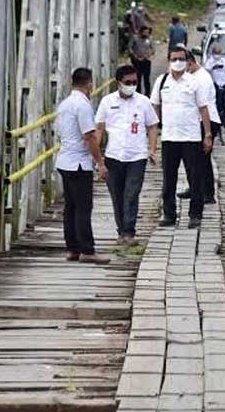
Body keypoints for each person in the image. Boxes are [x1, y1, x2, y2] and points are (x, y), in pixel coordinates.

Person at [151, 46, 214, 229]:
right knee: (168, 179)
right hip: (169, 137)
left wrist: (208, 134)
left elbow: (203, 108)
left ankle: (195, 214)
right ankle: (169, 214)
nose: (178, 62)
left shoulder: (194, 82)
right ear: (168, 60)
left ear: (187, 61)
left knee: (195, 178)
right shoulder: (162, 81)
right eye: (174, 59)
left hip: (191, 137)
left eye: (181, 58)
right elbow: (155, 106)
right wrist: (153, 136)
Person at [96, 65, 159, 246]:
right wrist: (97, 157)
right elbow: (99, 128)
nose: (131, 85)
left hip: (136, 155)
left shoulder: (143, 101)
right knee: (117, 195)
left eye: (134, 82)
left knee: (132, 193)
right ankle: (121, 230)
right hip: (113, 155)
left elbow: (152, 125)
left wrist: (152, 150)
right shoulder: (107, 102)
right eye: (127, 82)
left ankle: (129, 231)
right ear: (119, 83)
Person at [54, 68, 109, 265]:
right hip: (78, 163)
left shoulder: (64, 104)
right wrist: (100, 162)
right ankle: (87, 249)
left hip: (64, 161)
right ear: (89, 84)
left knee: (70, 207)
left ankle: (72, 248)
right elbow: (90, 136)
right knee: (83, 208)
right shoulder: (83, 106)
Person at [178, 50, 222, 204]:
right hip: (196, 121)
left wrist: (207, 133)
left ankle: (208, 193)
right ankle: (195, 187)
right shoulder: (193, 77)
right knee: (193, 159)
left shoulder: (201, 79)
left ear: (190, 62)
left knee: (202, 159)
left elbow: (202, 105)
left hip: (206, 121)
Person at [204, 44, 225, 130]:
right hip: (215, 84)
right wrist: (213, 67)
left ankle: (223, 117)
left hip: (223, 83)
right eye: (216, 53)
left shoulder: (223, 61)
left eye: (219, 53)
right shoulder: (210, 61)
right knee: (217, 103)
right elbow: (206, 69)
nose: (218, 55)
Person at [128, 26, 155, 96]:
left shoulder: (150, 39)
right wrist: (134, 55)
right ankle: (138, 93)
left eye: (147, 32)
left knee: (146, 78)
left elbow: (153, 49)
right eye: (144, 32)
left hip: (147, 60)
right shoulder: (135, 38)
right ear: (141, 32)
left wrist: (149, 54)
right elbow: (130, 47)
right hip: (137, 61)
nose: (146, 34)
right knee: (138, 78)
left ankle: (147, 94)